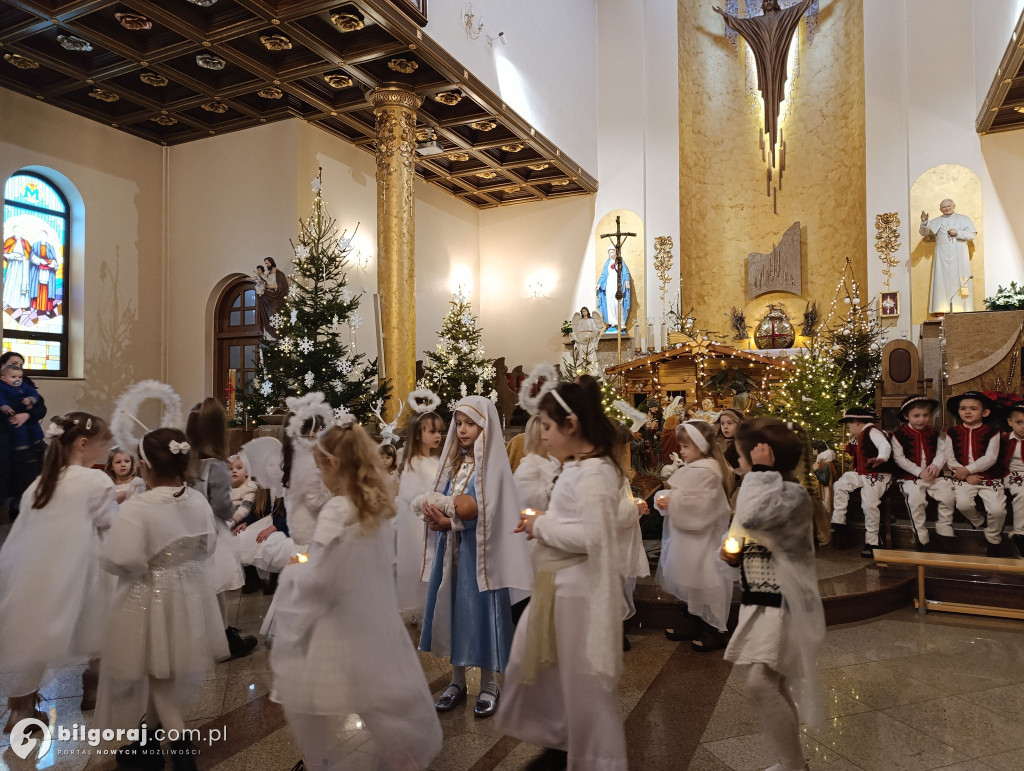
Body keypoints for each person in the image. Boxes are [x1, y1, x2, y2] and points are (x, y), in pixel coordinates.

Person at [270, 417, 443, 771]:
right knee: (376, 701)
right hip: (372, 622)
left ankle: (315, 762)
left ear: (333, 464)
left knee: (308, 702)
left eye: (321, 468)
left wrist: (294, 568)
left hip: (336, 627)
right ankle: (401, 759)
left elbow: (320, 579)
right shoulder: (373, 504)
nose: (320, 476)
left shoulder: (337, 509)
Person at [494, 377, 629, 770]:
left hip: (577, 594)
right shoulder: (578, 467)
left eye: (549, 427)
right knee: (548, 673)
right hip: (559, 588)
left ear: (572, 425)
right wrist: (544, 517)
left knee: (580, 683)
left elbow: (593, 534)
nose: (543, 436)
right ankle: (561, 743)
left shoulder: (595, 473)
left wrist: (541, 527)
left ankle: (589, 756)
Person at [97, 427, 228, 769]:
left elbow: (121, 558)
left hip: (150, 597)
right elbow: (208, 545)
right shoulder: (196, 499)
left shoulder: (140, 507)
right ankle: (147, 743)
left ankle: (182, 753)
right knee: (162, 672)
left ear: (146, 465)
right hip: (190, 597)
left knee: (159, 677)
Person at [415, 396, 532, 718]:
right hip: (452, 551)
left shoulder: (494, 468)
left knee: (482, 616)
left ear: (486, 426)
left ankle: (489, 684)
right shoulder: (455, 463)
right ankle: (456, 681)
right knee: (452, 611)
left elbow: (494, 513)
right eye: (460, 423)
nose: (463, 430)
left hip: (482, 557)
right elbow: (450, 499)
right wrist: (435, 515)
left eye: (470, 423)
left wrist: (451, 520)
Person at [720, 417, 825, 771]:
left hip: (784, 604)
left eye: (740, 455)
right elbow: (747, 531)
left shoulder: (790, 493)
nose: (737, 463)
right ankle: (792, 764)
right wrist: (734, 552)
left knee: (761, 685)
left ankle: (793, 766)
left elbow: (751, 517)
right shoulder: (768, 487)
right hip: (764, 601)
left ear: (762, 457)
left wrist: (758, 474)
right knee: (771, 685)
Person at [0, 413, 116, 729]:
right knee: (100, 621)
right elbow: (109, 523)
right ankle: (93, 687)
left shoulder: (39, 484)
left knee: (37, 634)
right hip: (88, 569)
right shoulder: (97, 480)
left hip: (40, 572)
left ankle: (20, 709)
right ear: (83, 444)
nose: (106, 451)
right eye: (103, 445)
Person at [656, 419, 736, 651]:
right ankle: (695, 620)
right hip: (687, 542)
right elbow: (683, 496)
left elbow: (704, 508)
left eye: (685, 447)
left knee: (708, 584)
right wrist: (665, 500)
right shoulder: (693, 469)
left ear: (701, 446)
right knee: (693, 585)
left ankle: (715, 629)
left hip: (703, 541)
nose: (681, 451)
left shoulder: (709, 472)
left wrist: (675, 502)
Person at [186, 398, 255, 659]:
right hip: (212, 531)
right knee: (217, 589)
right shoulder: (215, 465)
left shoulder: (186, 461)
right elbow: (222, 506)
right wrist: (231, 514)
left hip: (190, 529)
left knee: (204, 588)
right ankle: (224, 640)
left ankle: (208, 635)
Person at [395, 406, 444, 621]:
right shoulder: (413, 464)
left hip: (434, 520)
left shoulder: (434, 461)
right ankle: (421, 608)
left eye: (439, 431)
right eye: (431, 431)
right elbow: (412, 497)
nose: (437, 436)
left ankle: (432, 607)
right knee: (420, 565)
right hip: (418, 525)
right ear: (417, 434)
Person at [944, 391, 1005, 557]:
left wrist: (969, 469)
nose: (967, 412)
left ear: (985, 412)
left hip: (989, 477)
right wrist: (965, 474)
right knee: (963, 504)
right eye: (963, 408)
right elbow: (950, 459)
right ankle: (980, 522)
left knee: (998, 510)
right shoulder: (952, 432)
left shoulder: (993, 433)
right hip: (964, 478)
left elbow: (991, 457)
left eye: (973, 408)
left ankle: (994, 539)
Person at [891, 395, 955, 552]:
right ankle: (921, 537)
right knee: (915, 499)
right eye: (916, 416)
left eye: (925, 415)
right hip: (911, 478)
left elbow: (942, 452)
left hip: (934, 476)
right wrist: (919, 472)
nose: (921, 419)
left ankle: (945, 531)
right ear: (907, 416)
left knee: (948, 493)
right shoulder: (899, 436)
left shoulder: (934, 434)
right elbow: (900, 459)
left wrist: (936, 465)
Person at [829, 407, 893, 557]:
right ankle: (838, 522)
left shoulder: (873, 431)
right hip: (863, 473)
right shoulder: (865, 434)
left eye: (850, 424)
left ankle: (873, 542)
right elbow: (863, 451)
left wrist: (882, 457)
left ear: (857, 422)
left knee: (869, 503)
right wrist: (851, 449)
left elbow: (885, 446)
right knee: (841, 484)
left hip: (878, 474)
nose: (849, 428)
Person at [0, 351, 47, 521]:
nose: (18, 368)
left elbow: (41, 408)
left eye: (21, 365)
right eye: (14, 363)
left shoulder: (26, 384)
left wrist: (26, 415)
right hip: (4, 440)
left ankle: (19, 510)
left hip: (26, 442)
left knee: (27, 477)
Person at [920, 199, 977, 315]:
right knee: (941, 280)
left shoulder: (964, 219)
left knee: (961, 279)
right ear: (940, 209)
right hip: (941, 255)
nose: (946, 208)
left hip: (959, 254)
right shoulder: (936, 221)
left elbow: (972, 235)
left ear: (954, 206)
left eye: (948, 206)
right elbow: (925, 233)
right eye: (943, 207)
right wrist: (925, 222)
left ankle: (964, 308)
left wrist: (958, 233)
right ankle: (941, 308)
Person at [999, 402, 1024, 559]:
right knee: (1022, 493)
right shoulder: (1004, 438)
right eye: (1019, 422)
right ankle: (1020, 534)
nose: (1023, 426)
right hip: (1011, 474)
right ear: (1010, 422)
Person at [596, 248, 631, 332]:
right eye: (610, 252)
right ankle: (612, 322)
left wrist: (626, 281)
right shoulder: (607, 263)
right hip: (609, 285)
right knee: (610, 303)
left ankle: (621, 322)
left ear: (616, 252)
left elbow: (625, 272)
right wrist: (599, 284)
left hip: (618, 284)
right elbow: (604, 275)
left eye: (613, 252)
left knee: (618, 303)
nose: (611, 254)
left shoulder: (620, 261)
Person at [256, 256, 290, 339]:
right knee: (269, 316)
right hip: (268, 299)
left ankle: (278, 335)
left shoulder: (279, 274)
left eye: (267, 263)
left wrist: (274, 286)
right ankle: (271, 336)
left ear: (272, 263)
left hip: (277, 299)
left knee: (276, 316)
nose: (266, 265)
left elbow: (284, 286)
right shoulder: (267, 275)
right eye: (266, 264)